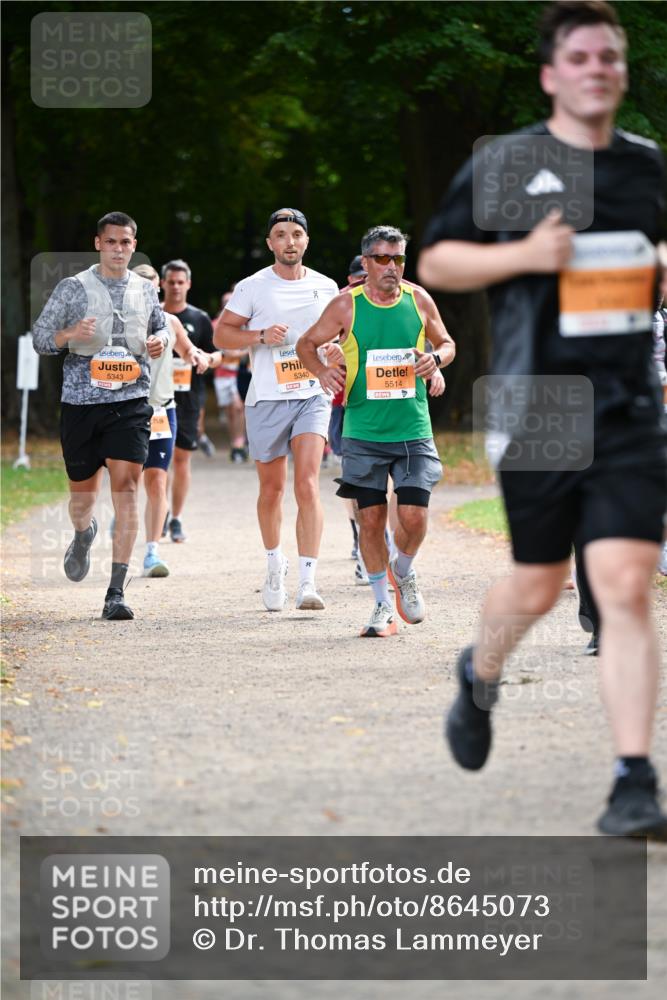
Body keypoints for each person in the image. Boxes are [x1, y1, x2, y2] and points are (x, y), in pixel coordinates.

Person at [418, 0, 667, 837]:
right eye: (582, 56)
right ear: (551, 74)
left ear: (620, 71)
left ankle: (632, 780)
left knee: (625, 586)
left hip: (630, 405)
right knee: (540, 581)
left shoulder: (645, 169)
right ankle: (478, 674)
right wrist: (524, 254)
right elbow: (438, 259)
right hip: (541, 406)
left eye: (611, 55)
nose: (599, 67)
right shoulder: (512, 162)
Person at [297, 225, 455, 637]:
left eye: (398, 258)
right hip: (363, 431)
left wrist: (435, 359)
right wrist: (322, 373)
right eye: (383, 259)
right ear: (365, 262)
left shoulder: (418, 299)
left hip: (413, 428)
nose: (392, 267)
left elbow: (448, 342)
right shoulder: (345, 305)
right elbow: (305, 344)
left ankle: (403, 571)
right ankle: (382, 606)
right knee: (369, 523)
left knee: (415, 518)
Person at [32, 211, 169, 620]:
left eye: (126, 242)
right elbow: (41, 337)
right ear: (98, 244)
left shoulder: (146, 290)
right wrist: (69, 335)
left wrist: (158, 341)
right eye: (111, 242)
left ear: (133, 244)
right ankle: (83, 532)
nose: (119, 249)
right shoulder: (72, 288)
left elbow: (161, 328)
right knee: (82, 498)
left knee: (127, 489)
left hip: (130, 403)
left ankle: (116, 592)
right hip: (80, 404)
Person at [214, 208, 338, 611]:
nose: (289, 241)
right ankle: (274, 563)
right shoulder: (252, 287)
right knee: (272, 490)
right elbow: (221, 334)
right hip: (266, 395)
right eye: (281, 235)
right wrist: (260, 335)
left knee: (306, 483)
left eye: (296, 233)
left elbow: (341, 336)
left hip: (310, 394)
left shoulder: (326, 286)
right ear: (270, 243)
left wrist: (335, 349)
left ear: (306, 240)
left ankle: (308, 581)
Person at [132, 265, 208, 577]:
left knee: (157, 479)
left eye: (153, 288)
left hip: (162, 410)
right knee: (126, 480)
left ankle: (152, 551)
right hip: (126, 411)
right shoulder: (119, 322)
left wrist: (198, 357)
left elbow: (188, 349)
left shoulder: (170, 321)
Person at [160, 259, 222, 542]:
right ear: (162, 284)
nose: (175, 287)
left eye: (180, 282)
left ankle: (176, 518)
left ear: (188, 284)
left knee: (182, 457)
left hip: (187, 397)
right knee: (159, 460)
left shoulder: (198, 318)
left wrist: (207, 359)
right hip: (156, 398)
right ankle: (158, 513)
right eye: (170, 282)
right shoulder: (153, 315)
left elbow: (219, 354)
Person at [213, 290, 248, 462]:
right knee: (230, 412)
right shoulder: (215, 324)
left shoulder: (245, 323)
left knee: (239, 407)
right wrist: (245, 350)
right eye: (225, 301)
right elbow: (224, 352)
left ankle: (240, 444)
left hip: (241, 374)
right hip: (223, 375)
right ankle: (236, 443)